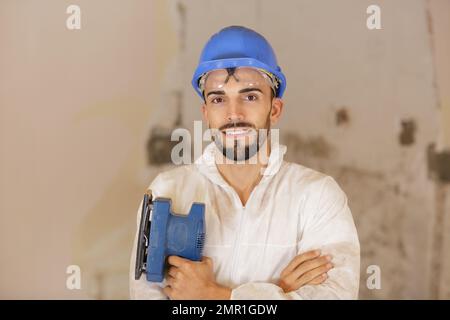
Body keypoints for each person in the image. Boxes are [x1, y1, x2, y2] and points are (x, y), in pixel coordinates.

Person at [129, 26, 360, 299]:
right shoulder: (169, 192)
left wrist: (214, 296)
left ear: (274, 109)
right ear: (206, 113)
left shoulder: (318, 197)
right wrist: (280, 292)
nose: (233, 114)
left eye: (249, 96)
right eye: (218, 99)